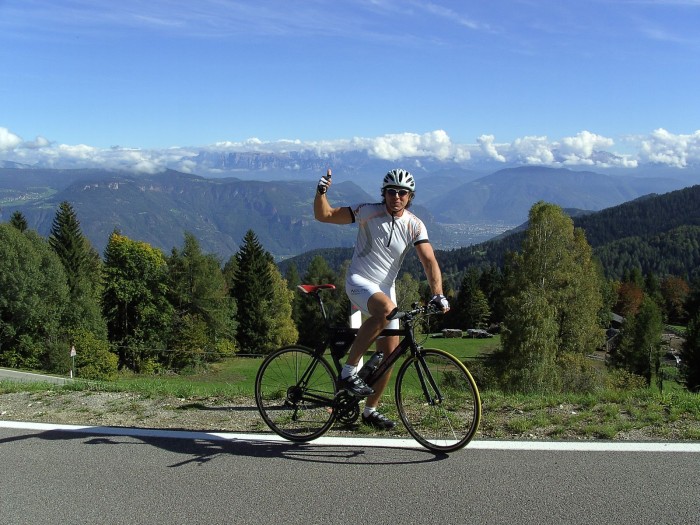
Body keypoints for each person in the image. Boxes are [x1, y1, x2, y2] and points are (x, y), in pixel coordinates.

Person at [314, 167, 450, 430]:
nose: (396, 197)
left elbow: (429, 261)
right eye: (391, 191)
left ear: (409, 196)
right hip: (359, 281)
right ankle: (348, 371)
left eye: (402, 192)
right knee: (386, 310)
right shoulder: (367, 212)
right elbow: (325, 215)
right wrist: (321, 192)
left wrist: (438, 294)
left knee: (389, 355)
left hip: (386, 288)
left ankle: (369, 411)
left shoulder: (414, 225)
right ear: (384, 193)